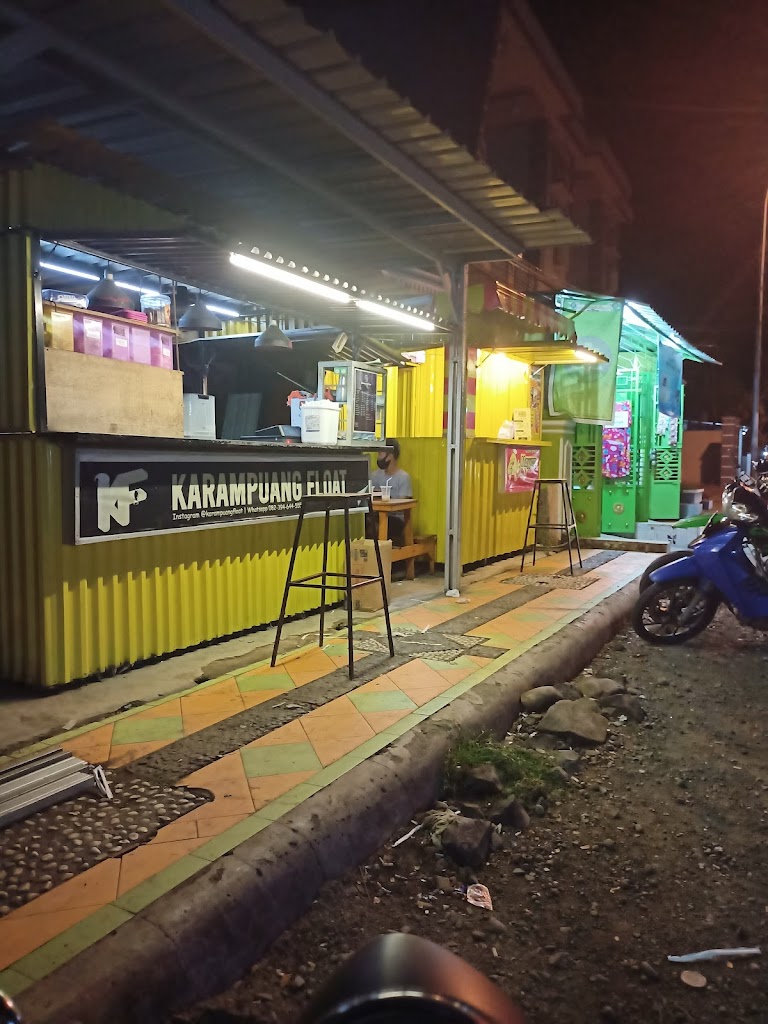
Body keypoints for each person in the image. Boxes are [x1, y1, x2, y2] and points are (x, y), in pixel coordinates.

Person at [367, 438, 412, 544]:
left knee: (375, 527)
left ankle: (380, 552)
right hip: (375, 515)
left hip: (396, 519)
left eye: (380, 454)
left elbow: (402, 505)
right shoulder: (375, 475)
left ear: (390, 456)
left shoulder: (403, 477)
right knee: (365, 522)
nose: (378, 457)